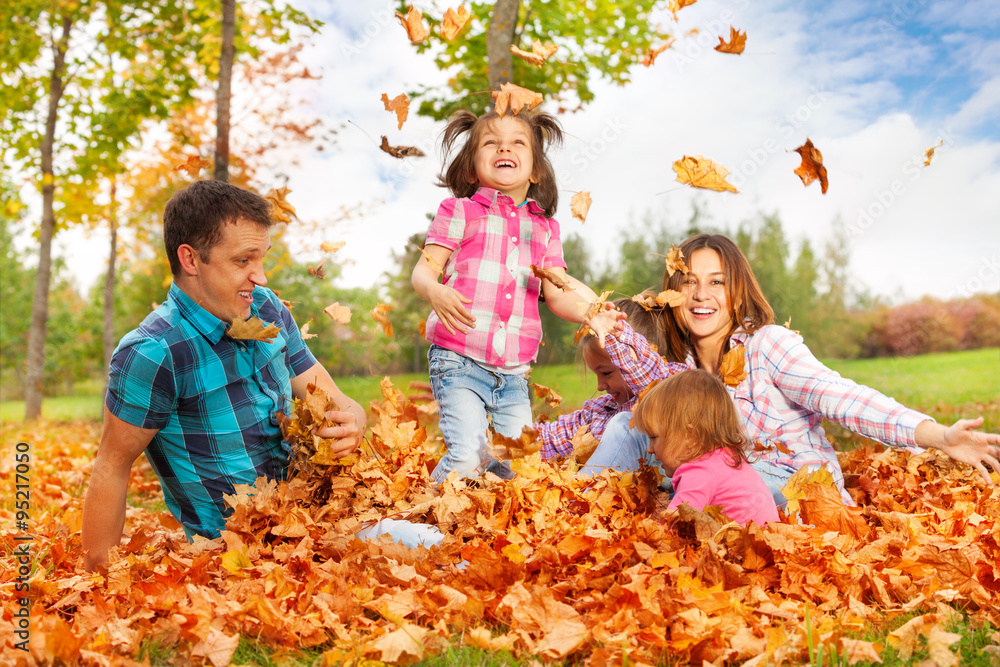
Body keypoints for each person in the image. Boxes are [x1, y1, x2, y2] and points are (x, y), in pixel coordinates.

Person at [81, 180, 438, 572]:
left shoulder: (266, 308)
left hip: (317, 517)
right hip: (241, 553)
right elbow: (112, 466)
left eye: (262, 258)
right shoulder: (154, 352)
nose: (261, 277)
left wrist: (353, 419)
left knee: (442, 536)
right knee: (434, 555)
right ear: (190, 259)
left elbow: (334, 397)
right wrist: (99, 581)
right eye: (243, 261)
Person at [582, 233, 1000, 507]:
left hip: (792, 482)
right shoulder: (678, 369)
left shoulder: (768, 345)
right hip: (712, 477)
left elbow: (842, 398)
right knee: (626, 425)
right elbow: (616, 410)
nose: (701, 295)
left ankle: (678, 509)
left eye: (717, 282)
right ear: (675, 293)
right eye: (689, 282)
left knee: (710, 474)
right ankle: (575, 508)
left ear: (737, 290)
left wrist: (940, 436)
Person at [412, 108, 614, 485]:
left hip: (513, 373)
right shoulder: (460, 211)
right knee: (469, 456)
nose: (504, 147)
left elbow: (558, 290)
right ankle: (424, 511)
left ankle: (492, 528)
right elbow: (423, 270)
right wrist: (434, 290)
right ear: (473, 169)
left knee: (519, 466)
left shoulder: (546, 229)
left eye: (518, 142)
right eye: (491, 142)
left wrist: (593, 311)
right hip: (458, 358)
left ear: (535, 169)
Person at [537, 296, 688, 461]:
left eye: (606, 373)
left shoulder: (666, 390)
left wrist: (611, 330)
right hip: (604, 484)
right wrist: (514, 439)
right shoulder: (600, 412)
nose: (600, 386)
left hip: (656, 482)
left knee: (623, 422)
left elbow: (644, 373)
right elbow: (554, 436)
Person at [632, 369, 778, 526]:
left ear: (691, 437)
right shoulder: (728, 458)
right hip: (766, 542)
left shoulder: (699, 472)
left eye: (654, 438)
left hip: (740, 548)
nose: (650, 449)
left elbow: (674, 526)